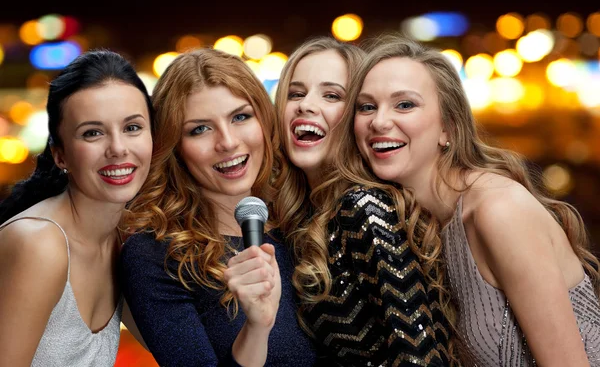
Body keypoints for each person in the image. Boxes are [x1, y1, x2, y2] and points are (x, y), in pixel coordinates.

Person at [340, 34, 600, 366]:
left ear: (447, 127)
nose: (379, 121)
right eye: (367, 107)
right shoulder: (424, 222)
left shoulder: (498, 210)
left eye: (404, 104)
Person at [119, 48, 316, 367]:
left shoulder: (305, 220)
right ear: (175, 147)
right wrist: (256, 328)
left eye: (240, 117)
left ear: (264, 120)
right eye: (200, 129)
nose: (227, 142)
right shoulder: (156, 256)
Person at [271, 36, 451, 366]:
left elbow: (421, 356)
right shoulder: (305, 215)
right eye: (295, 93)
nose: (305, 105)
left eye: (332, 95)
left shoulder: (364, 208)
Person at [0, 50, 154, 366]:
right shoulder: (39, 243)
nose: (118, 148)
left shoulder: (122, 243)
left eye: (132, 127)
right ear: (61, 156)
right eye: (92, 133)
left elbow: (182, 348)